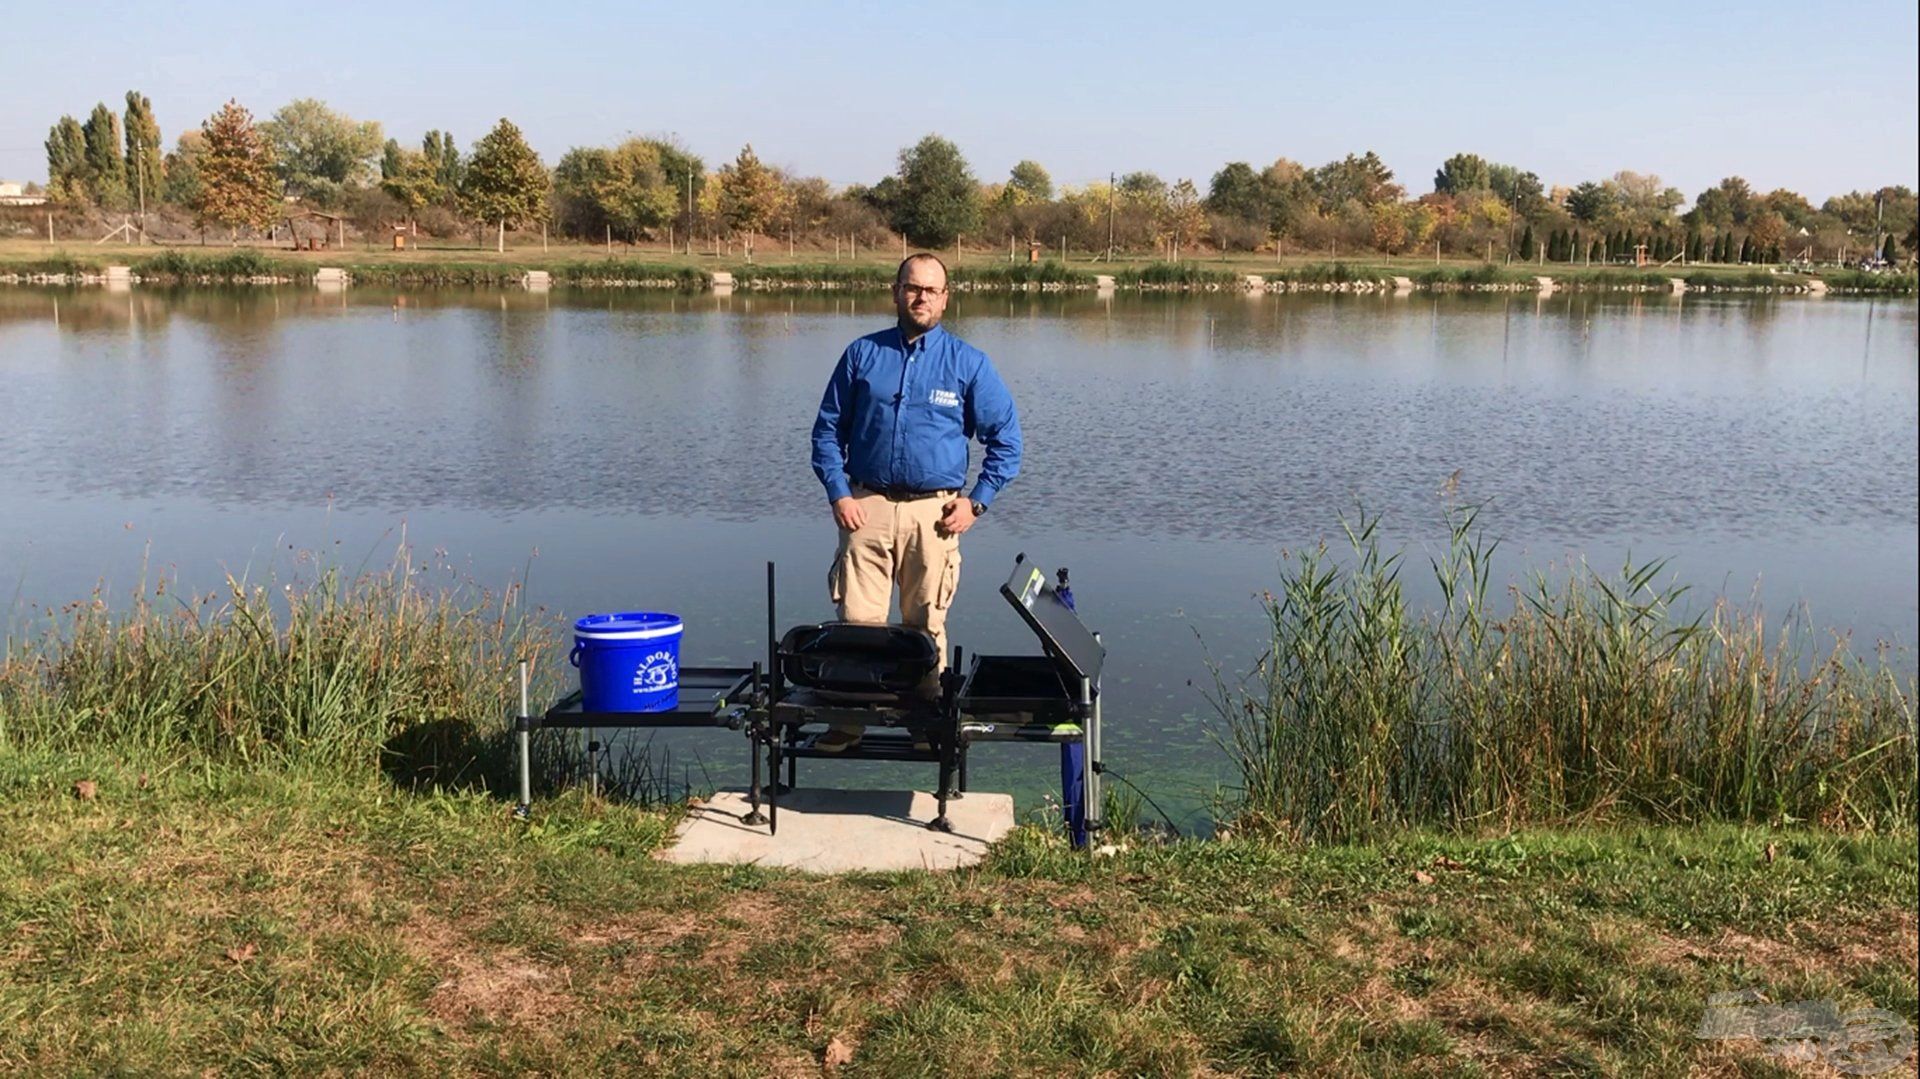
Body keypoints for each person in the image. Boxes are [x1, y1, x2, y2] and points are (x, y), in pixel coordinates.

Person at [807, 253, 1022, 751]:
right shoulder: (862, 355)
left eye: (931, 290)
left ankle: (925, 722)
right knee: (857, 624)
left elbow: (1007, 441)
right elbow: (825, 433)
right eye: (912, 287)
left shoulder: (967, 363)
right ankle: (849, 721)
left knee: (925, 624)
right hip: (866, 507)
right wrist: (839, 493)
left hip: (937, 515)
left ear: (946, 298)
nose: (921, 297)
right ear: (896, 291)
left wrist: (977, 503)